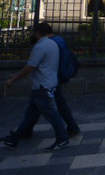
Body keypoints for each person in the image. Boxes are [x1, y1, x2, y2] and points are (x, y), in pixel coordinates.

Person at [4, 22, 70, 151]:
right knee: (31, 114)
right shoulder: (52, 44)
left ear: (38, 32)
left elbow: (30, 67)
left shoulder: (41, 46)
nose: (33, 35)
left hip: (42, 85)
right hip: (48, 83)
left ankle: (62, 138)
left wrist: (14, 79)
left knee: (51, 113)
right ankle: (15, 139)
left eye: (34, 32)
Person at [17, 25, 80, 139]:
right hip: (52, 78)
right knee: (37, 106)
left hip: (48, 80)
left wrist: (14, 78)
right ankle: (23, 131)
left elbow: (36, 64)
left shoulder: (49, 43)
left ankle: (67, 132)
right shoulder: (58, 41)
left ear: (39, 33)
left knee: (51, 107)